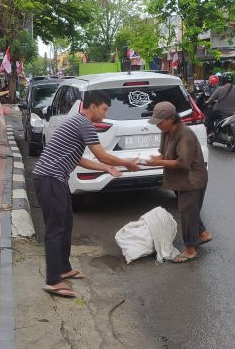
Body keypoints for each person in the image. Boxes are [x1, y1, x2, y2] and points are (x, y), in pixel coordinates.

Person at [33, 90, 140, 298]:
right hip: (49, 178)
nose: (105, 113)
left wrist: (105, 169)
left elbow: (78, 159)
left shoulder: (78, 123)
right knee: (55, 230)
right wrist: (126, 163)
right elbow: (102, 154)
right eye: (104, 109)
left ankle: (63, 268)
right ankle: (53, 280)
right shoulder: (84, 124)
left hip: (56, 179)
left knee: (66, 223)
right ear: (92, 107)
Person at [146, 102, 211, 263]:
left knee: (187, 211)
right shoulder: (166, 132)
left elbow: (182, 163)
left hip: (193, 179)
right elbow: (163, 154)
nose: (158, 125)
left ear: (171, 119)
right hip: (181, 179)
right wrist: (154, 159)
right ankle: (203, 234)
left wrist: (158, 163)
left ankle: (190, 249)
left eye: (160, 122)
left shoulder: (185, 134)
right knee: (190, 209)